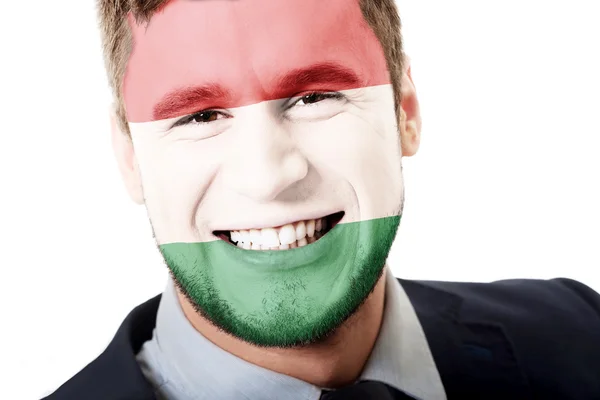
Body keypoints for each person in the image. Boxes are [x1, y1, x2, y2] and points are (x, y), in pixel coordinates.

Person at [44, 0, 600, 399]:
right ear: (131, 159)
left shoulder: (579, 334)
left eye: (313, 97)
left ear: (404, 111)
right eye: (201, 116)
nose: (266, 177)